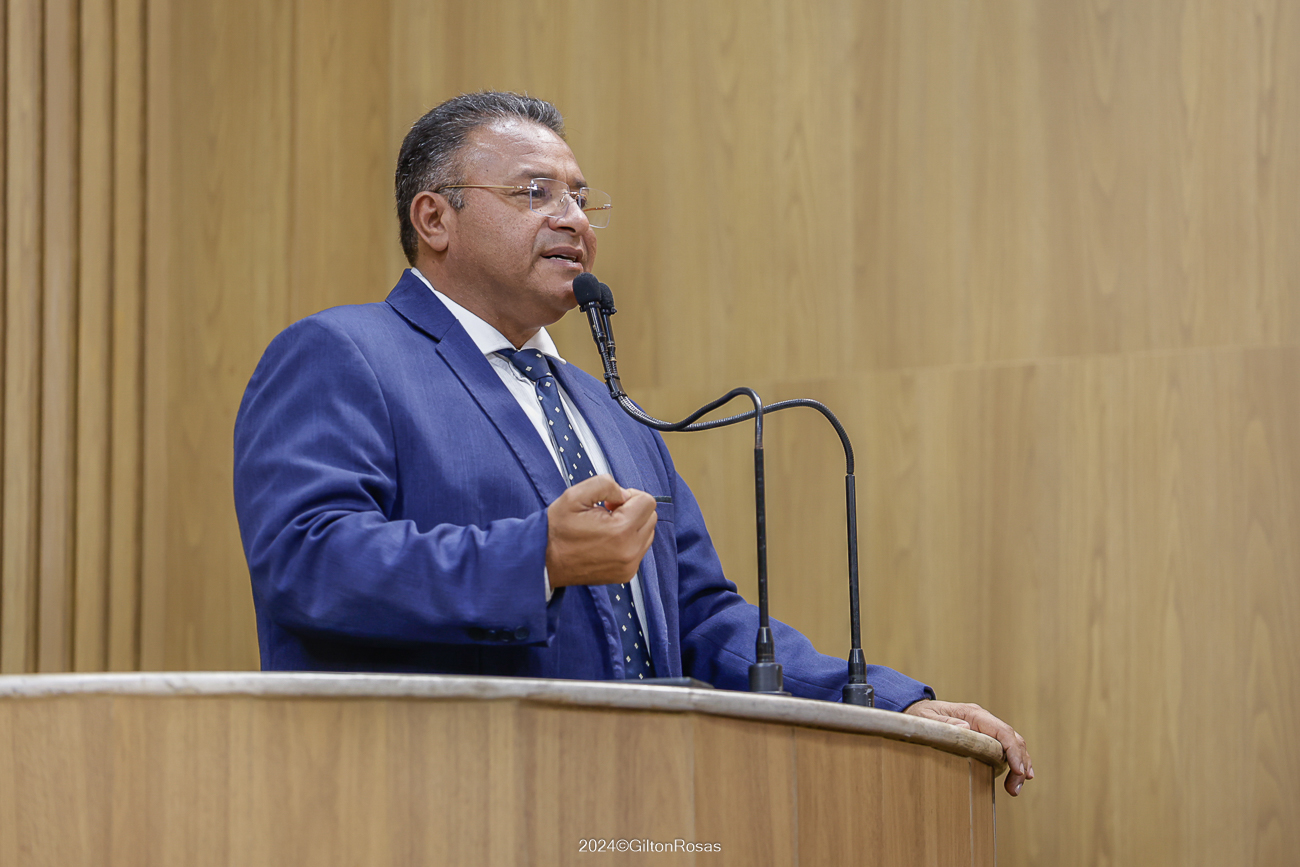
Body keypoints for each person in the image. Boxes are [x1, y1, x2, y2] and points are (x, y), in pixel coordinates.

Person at [233, 92, 1033, 795]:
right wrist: (536, 559)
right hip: (442, 804)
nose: (573, 219)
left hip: (632, 805)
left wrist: (890, 701)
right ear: (434, 219)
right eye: (534, 192)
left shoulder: (608, 411)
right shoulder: (345, 354)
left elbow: (700, 616)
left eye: (581, 198)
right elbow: (309, 560)